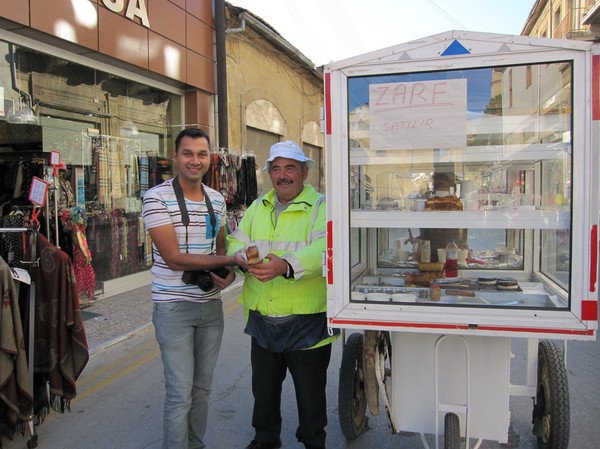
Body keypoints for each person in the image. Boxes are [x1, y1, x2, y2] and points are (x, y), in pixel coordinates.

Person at [226, 141, 338, 449]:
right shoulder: (257, 207)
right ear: (269, 174)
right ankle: (265, 440)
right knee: (263, 391)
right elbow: (235, 242)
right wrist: (241, 259)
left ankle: (313, 442)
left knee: (310, 395)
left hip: (308, 319)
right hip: (263, 317)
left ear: (304, 172)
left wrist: (286, 265)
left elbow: (323, 249)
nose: (282, 175)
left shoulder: (321, 206)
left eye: (290, 168)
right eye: (276, 168)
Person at [141, 128, 244, 449]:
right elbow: (173, 258)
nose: (194, 161)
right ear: (175, 157)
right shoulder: (156, 197)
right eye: (187, 153)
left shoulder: (216, 199)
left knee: (202, 390)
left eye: (201, 154)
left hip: (211, 308)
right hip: (173, 308)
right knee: (180, 393)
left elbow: (219, 250)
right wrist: (230, 258)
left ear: (210, 158)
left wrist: (229, 274)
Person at [417, 172, 468, 261]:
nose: (442, 193)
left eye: (444, 188)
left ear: (451, 188)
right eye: (438, 187)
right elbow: (425, 236)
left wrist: (463, 249)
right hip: (429, 255)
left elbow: (462, 237)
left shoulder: (456, 205)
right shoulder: (427, 204)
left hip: (453, 254)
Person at [60, 206, 96, 301]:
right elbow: (80, 245)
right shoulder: (76, 232)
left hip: (81, 254)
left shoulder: (76, 231)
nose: (81, 219)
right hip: (81, 254)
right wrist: (86, 256)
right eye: (79, 217)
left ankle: (86, 294)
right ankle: (79, 296)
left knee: (84, 274)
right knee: (82, 274)